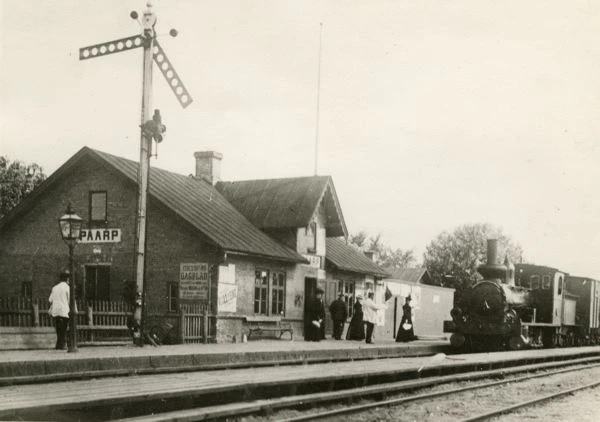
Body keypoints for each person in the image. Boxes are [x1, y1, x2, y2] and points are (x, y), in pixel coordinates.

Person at [48, 271, 71, 350]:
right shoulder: (67, 288)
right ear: (67, 279)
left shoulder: (54, 288)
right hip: (64, 311)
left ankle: (59, 345)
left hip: (56, 311)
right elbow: (70, 300)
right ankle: (63, 344)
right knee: (64, 329)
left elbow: (50, 300)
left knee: (58, 328)